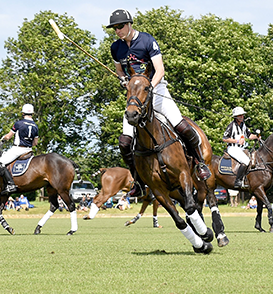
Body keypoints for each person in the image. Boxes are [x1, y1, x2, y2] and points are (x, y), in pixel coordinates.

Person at [108, 9, 211, 197]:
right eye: (114, 28)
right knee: (124, 142)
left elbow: (160, 70)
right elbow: (120, 71)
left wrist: (149, 88)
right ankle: (137, 180)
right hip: (134, 95)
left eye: (120, 26)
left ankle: (199, 163)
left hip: (157, 89)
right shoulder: (116, 47)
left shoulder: (147, 40)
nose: (118, 30)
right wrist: (124, 80)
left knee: (183, 127)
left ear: (130, 24)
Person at [0, 103, 39, 194]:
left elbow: (8, 136)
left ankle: (11, 184)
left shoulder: (18, 123)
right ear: (32, 113)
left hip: (18, 149)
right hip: (29, 150)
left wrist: (3, 138)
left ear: (23, 113)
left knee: (0, 163)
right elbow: (35, 143)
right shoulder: (35, 126)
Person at [222, 107, 260, 188]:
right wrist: (237, 141)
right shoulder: (231, 126)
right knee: (246, 160)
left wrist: (256, 136)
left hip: (241, 149)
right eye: (240, 115)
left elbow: (249, 136)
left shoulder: (243, 125)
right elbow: (224, 138)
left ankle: (245, 179)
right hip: (232, 148)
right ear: (236, 117)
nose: (242, 117)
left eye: (243, 115)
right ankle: (237, 181)